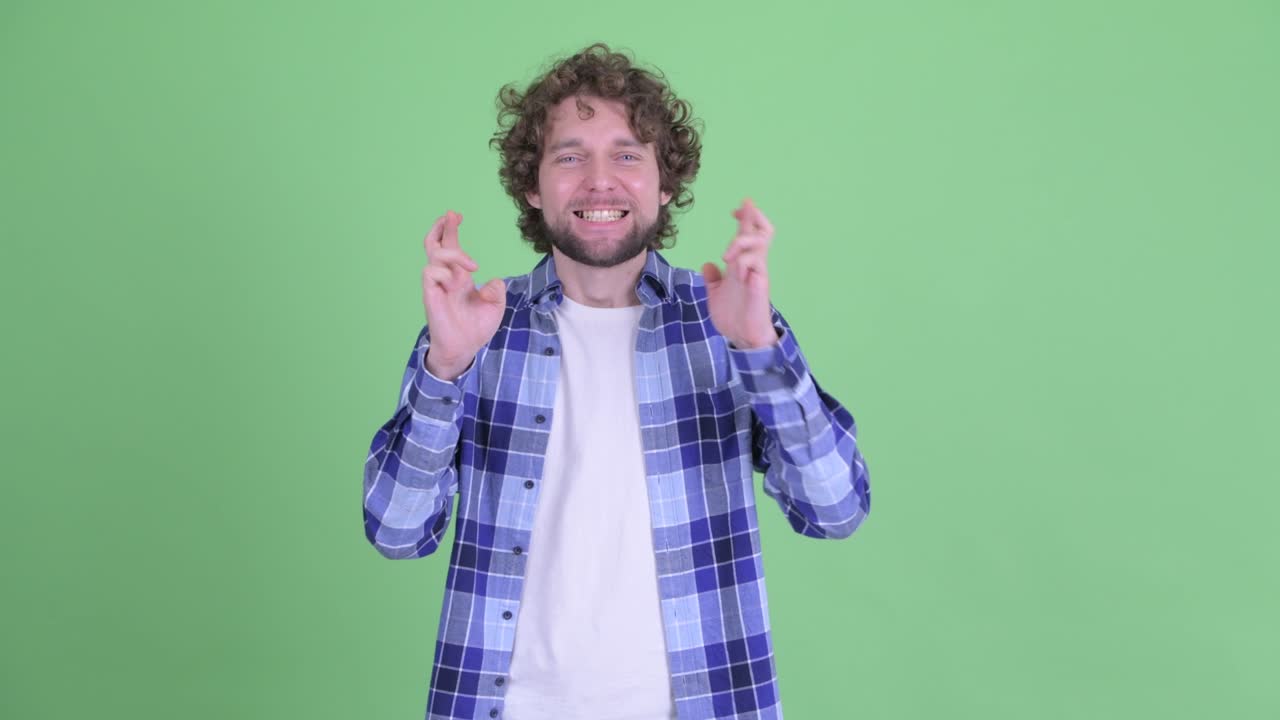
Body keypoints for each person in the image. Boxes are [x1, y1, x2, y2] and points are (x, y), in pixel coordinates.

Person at [363, 43, 871, 720]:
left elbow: (835, 510)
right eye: (569, 156)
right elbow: (397, 531)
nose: (599, 180)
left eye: (627, 154)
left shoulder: (728, 320)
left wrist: (758, 347)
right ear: (531, 186)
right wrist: (444, 370)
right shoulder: (477, 325)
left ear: (666, 185)